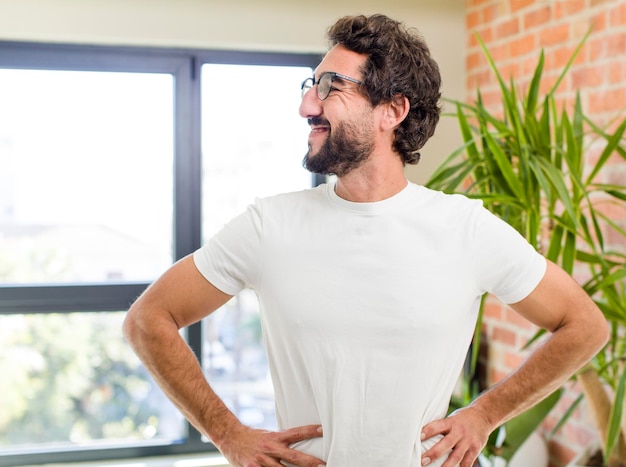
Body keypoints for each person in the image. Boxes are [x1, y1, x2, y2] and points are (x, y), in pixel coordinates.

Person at [123, 14, 609, 467]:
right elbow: (148, 320)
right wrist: (227, 432)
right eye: (311, 85)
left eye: (331, 87)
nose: (306, 105)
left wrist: (485, 413)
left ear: (392, 110)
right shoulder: (268, 225)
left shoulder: (466, 228)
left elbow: (584, 326)